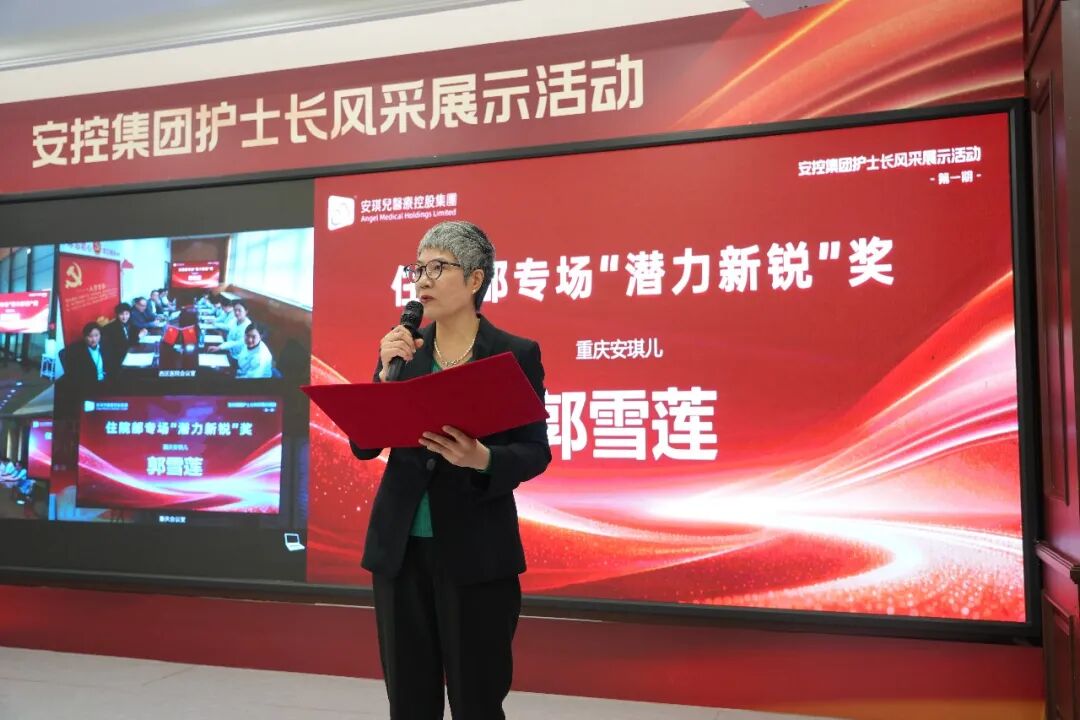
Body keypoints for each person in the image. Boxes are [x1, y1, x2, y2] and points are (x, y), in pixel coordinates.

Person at [350, 221, 550, 720]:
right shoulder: (404, 351)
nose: (422, 280)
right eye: (418, 269)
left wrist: (482, 458)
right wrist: (383, 377)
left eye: (438, 268)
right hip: (400, 553)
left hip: (476, 553)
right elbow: (364, 444)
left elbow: (535, 451)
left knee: (476, 700)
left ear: (475, 279)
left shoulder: (513, 354)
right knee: (409, 702)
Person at [102, 302, 146, 373]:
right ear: (117, 315)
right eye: (121, 314)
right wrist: (139, 336)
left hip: (130, 355)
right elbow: (124, 345)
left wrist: (141, 332)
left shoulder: (130, 323)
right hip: (118, 360)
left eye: (127, 314)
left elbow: (134, 336)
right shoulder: (110, 328)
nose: (124, 317)